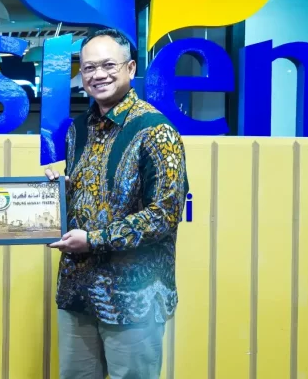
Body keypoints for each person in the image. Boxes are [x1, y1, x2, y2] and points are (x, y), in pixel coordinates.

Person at [45, 29, 189, 379]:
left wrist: (93, 240)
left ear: (130, 68)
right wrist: (57, 194)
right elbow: (89, 198)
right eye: (89, 67)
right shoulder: (78, 129)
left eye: (109, 65)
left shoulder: (156, 130)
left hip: (134, 297)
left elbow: (164, 215)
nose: (98, 74)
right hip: (78, 292)